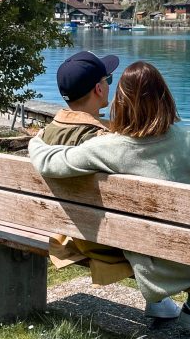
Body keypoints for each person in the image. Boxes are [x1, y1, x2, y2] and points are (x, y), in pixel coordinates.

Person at [29, 61, 190, 333]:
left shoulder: (107, 148)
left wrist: (36, 141)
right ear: (165, 97)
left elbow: (49, 163)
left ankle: (166, 303)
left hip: (148, 264)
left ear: (121, 102)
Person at [42, 51, 134, 289]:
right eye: (108, 79)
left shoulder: (45, 136)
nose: (109, 85)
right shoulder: (102, 141)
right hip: (100, 239)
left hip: (63, 227)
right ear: (98, 89)